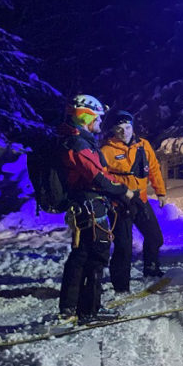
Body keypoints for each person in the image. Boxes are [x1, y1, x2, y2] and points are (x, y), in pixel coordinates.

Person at [58, 94, 135, 322]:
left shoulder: (76, 139)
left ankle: (70, 309)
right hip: (89, 205)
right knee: (96, 255)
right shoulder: (78, 143)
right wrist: (124, 192)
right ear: (85, 117)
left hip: (85, 203)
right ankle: (89, 310)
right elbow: (97, 176)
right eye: (98, 118)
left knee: (81, 255)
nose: (101, 123)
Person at [101, 110, 168, 290]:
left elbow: (153, 168)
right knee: (123, 247)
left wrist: (160, 192)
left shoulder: (143, 145)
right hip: (119, 205)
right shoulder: (106, 151)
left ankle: (151, 268)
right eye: (120, 128)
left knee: (155, 237)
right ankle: (121, 285)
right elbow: (101, 177)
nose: (125, 132)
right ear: (114, 130)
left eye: (128, 127)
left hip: (141, 200)